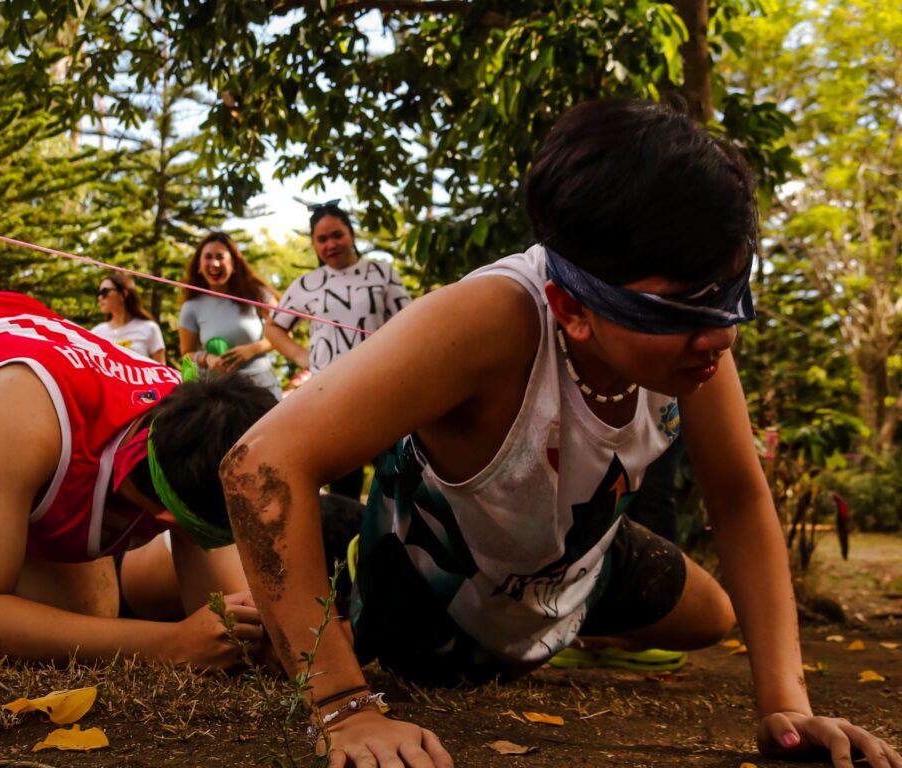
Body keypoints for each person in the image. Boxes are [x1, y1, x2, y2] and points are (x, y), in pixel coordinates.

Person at [221, 100, 901, 768]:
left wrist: (786, 704)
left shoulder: (694, 339)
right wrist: (343, 705)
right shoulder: (490, 319)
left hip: (574, 563)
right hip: (429, 595)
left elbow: (739, 496)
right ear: (572, 310)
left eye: (732, 290)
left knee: (712, 615)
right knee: (367, 623)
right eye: (687, 306)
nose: (722, 332)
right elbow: (260, 463)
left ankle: (555, 630)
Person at [0, 292, 272, 669]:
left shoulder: (194, 424)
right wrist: (171, 644)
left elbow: (225, 617)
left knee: (82, 612)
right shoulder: (22, 419)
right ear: (172, 521)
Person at [264, 201, 412, 498]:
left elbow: (409, 321)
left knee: (396, 475)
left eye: (337, 235)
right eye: (322, 239)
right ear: (315, 245)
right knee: (343, 483)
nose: (330, 244)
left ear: (351, 235)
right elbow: (273, 327)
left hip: (379, 388)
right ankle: (346, 540)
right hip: (329, 392)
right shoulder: (307, 284)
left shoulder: (381, 273)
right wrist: (302, 356)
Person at [179, 232, 282, 401]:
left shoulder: (258, 295)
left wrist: (252, 349)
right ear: (199, 265)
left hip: (261, 386)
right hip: (219, 393)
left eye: (220, 257)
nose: (214, 263)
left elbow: (285, 336)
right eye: (208, 257)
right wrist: (207, 358)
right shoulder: (191, 307)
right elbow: (186, 353)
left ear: (234, 264)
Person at [90, 271, 167, 363]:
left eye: (104, 292)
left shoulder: (149, 328)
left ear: (123, 294)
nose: (100, 297)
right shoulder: (96, 333)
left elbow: (162, 370)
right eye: (98, 293)